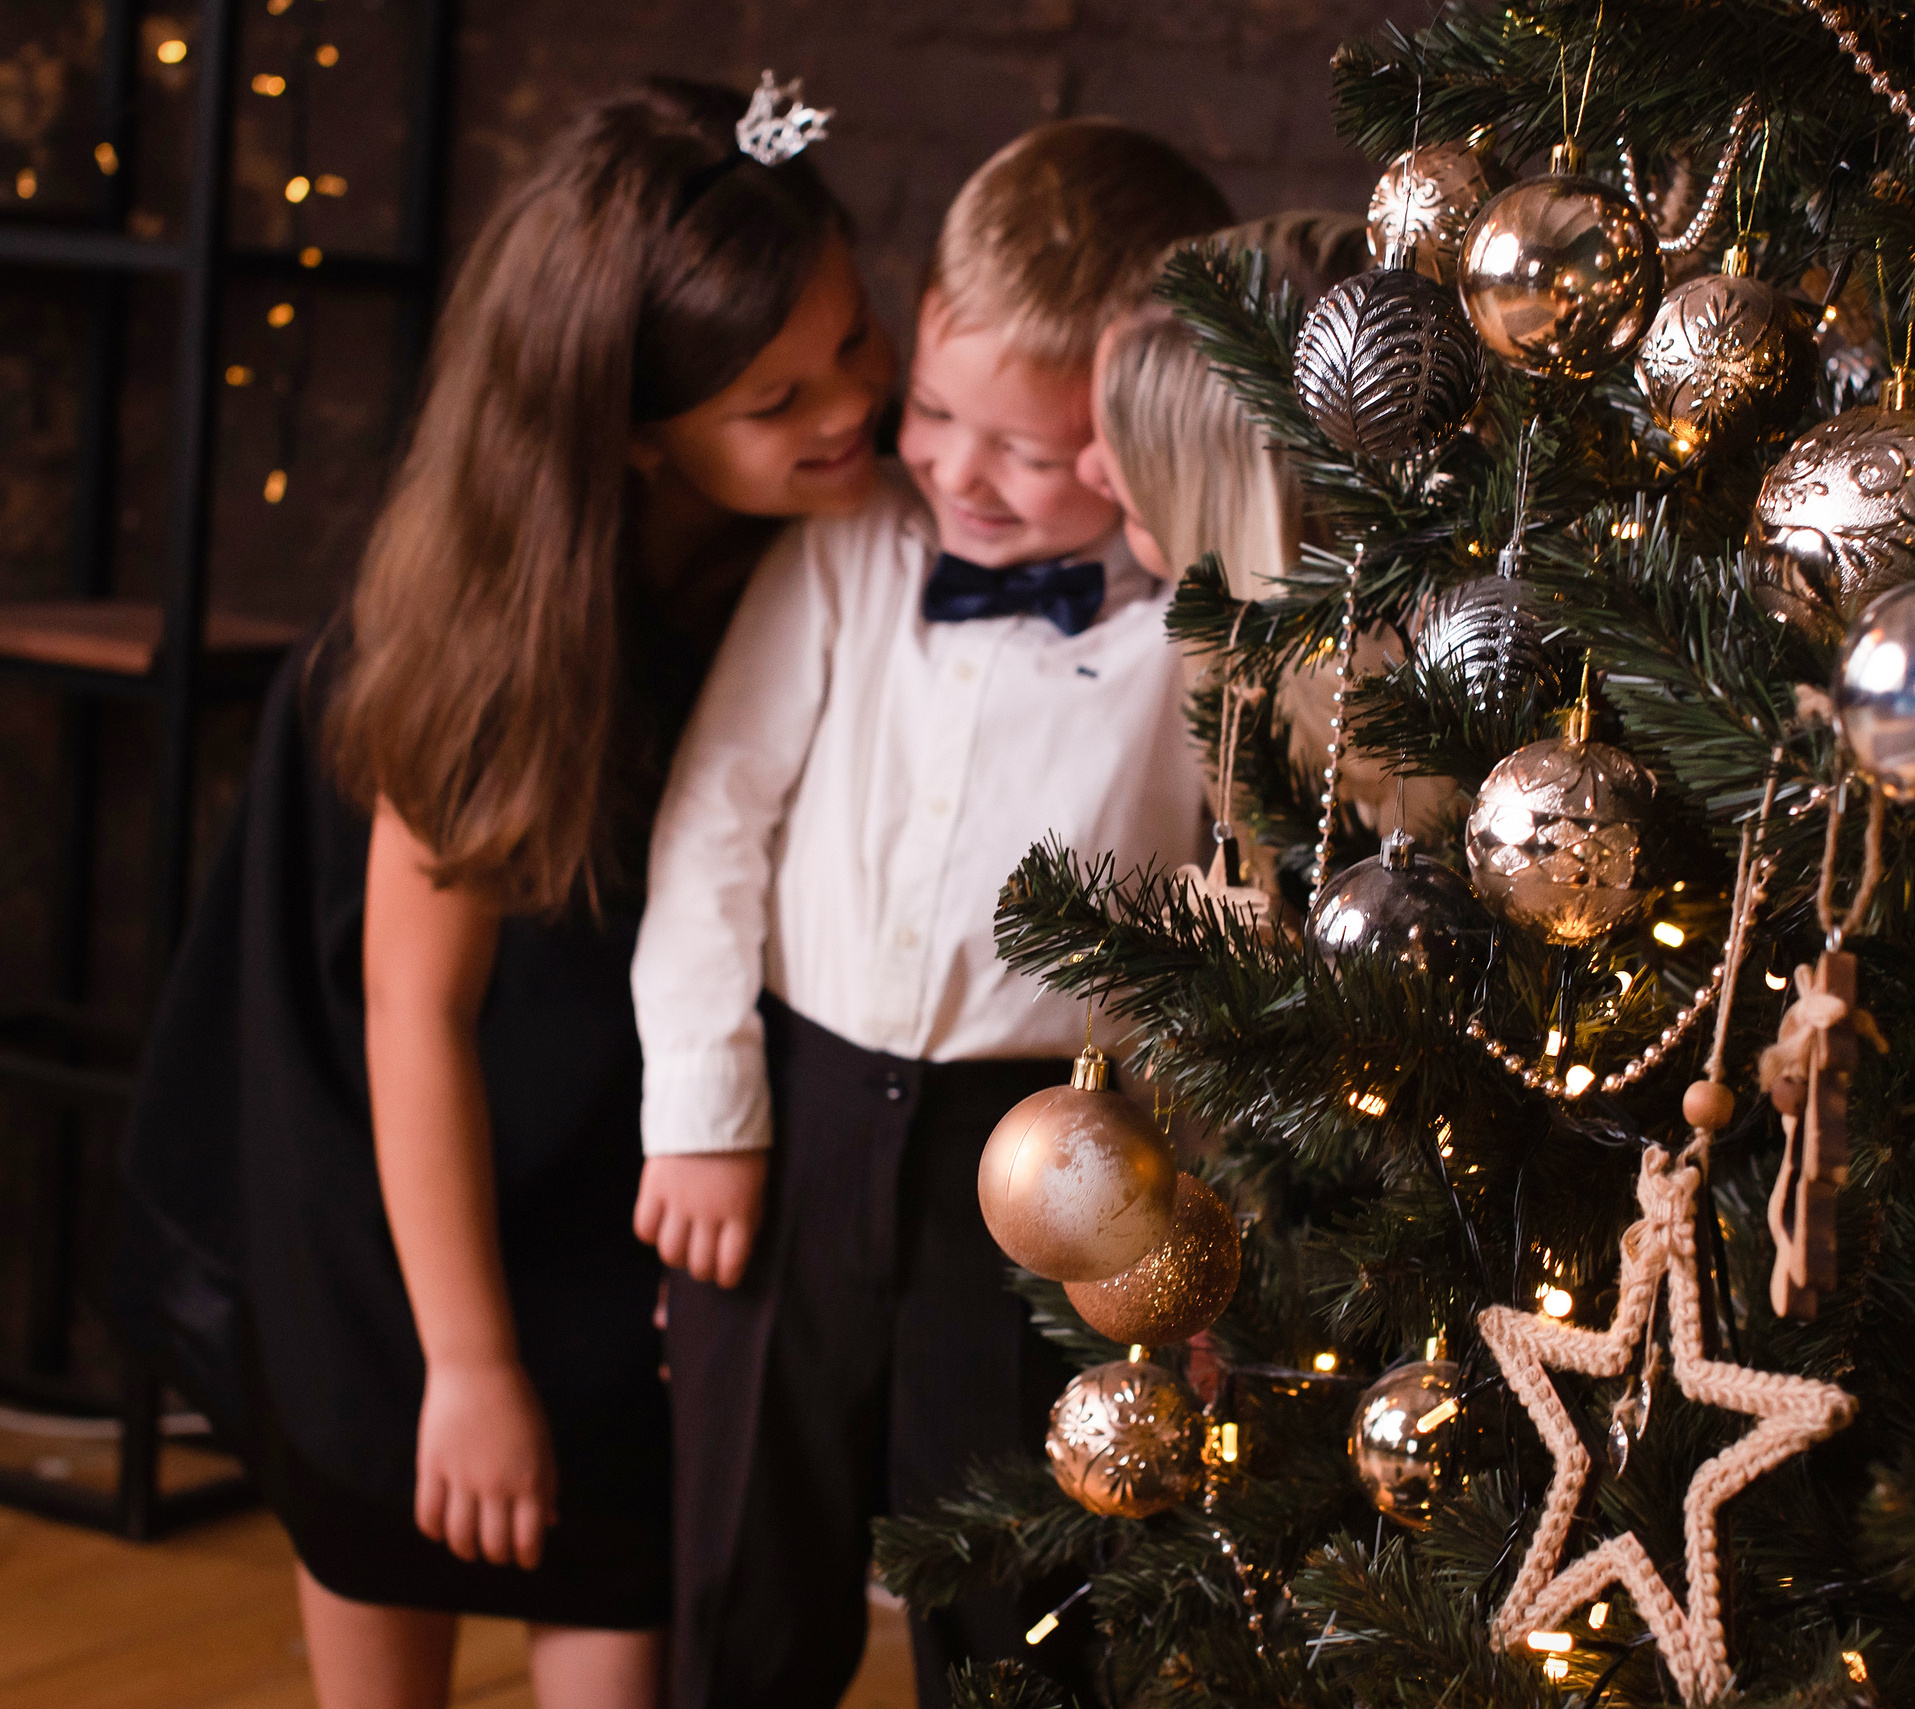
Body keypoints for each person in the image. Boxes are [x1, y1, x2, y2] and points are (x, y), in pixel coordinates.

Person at [113, 76, 893, 1709]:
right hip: (392, 1169)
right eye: (778, 395)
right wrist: (465, 1362)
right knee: (396, 1503)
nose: (848, 407)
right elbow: (416, 1007)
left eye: (854, 343)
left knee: (615, 1567)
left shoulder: (819, 550)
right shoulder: (482, 637)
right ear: (634, 426)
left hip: (618, 1146)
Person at [627, 118, 1231, 1709]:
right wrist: (701, 1110)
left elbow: (1235, 918)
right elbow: (714, 826)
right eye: (938, 411)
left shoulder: (1202, 631)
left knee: (1025, 1573)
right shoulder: (851, 553)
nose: (958, 469)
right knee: (747, 1548)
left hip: (1055, 1158)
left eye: (1028, 451)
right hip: (799, 1114)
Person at [1076, 211, 1449, 860]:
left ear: (1229, 509)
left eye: (1132, 452)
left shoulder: (1419, 744)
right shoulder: (1241, 639)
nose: (1088, 468)